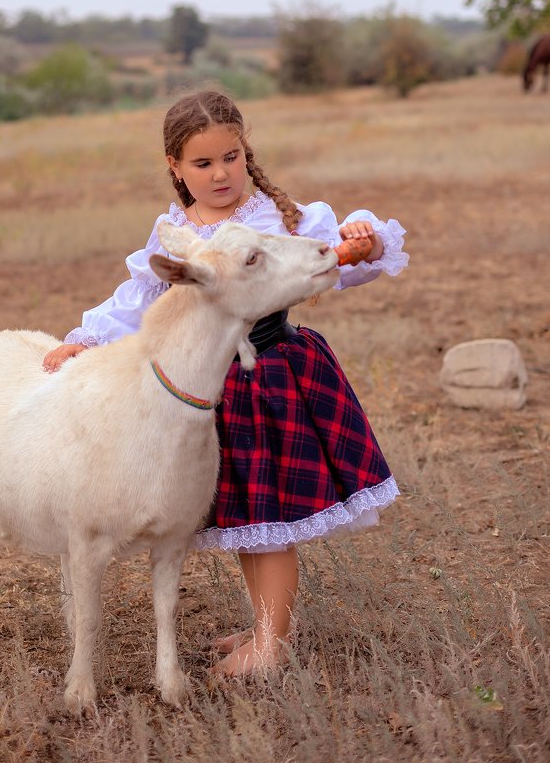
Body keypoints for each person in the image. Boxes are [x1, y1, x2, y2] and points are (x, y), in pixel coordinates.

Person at [42, 90, 409, 677]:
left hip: (273, 378)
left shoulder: (272, 217)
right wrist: (83, 338)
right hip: (210, 390)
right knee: (246, 514)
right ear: (175, 166)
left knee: (272, 521)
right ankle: (266, 621)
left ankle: (272, 646)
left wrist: (367, 239)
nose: (221, 174)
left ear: (246, 153)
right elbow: (138, 301)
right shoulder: (175, 233)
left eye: (232, 158)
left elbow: (335, 254)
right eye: (204, 163)